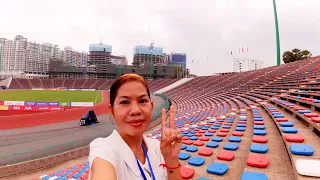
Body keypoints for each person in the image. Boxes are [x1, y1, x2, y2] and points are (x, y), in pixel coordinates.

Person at [88, 74, 183, 180]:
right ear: (112, 111)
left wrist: (171, 159)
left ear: (151, 107)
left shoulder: (159, 148)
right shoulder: (104, 149)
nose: (135, 110)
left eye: (142, 101)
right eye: (124, 102)